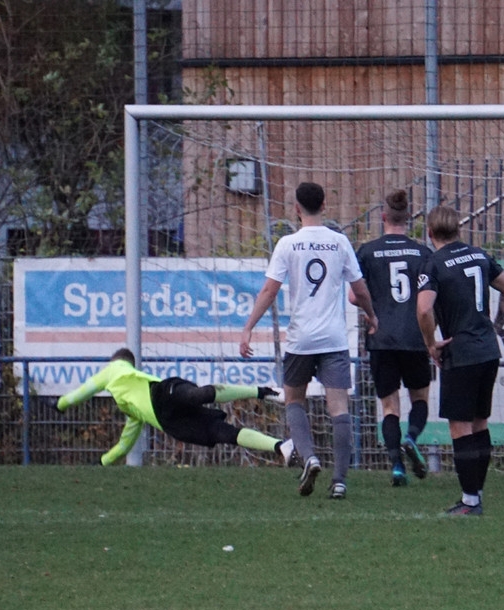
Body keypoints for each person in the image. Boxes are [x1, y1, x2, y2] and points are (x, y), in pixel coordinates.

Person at [240, 182, 378, 499]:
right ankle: (339, 480)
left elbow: (269, 290)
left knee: (293, 401)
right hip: (333, 339)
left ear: (296, 209)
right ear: (324, 206)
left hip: (301, 339)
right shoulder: (339, 242)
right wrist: (372, 315)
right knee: (339, 408)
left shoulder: (288, 244)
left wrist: (248, 327)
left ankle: (310, 458)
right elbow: (360, 289)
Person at [416, 205, 504, 515]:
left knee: (460, 428)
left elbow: (424, 309)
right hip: (488, 351)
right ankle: (476, 494)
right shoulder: (479, 255)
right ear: (458, 230)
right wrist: (496, 326)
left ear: (429, 233)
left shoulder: (433, 264)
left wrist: (431, 344)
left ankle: (470, 501)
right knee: (480, 423)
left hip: (460, 353)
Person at [55, 347, 292, 466]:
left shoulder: (115, 368)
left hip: (160, 394)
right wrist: (102, 462)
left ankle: (264, 392)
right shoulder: (132, 410)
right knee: (222, 433)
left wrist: (60, 405)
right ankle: (280, 446)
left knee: (198, 395)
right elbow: (125, 443)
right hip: (169, 420)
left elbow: (83, 391)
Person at [352, 189, 432, 486]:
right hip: (414, 336)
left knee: (389, 407)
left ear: (383, 217)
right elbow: (430, 298)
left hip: (381, 337)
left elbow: (353, 296)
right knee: (419, 397)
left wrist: (370, 309)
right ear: (408, 218)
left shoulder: (367, 251)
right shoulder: (422, 253)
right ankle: (411, 438)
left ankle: (397, 466)